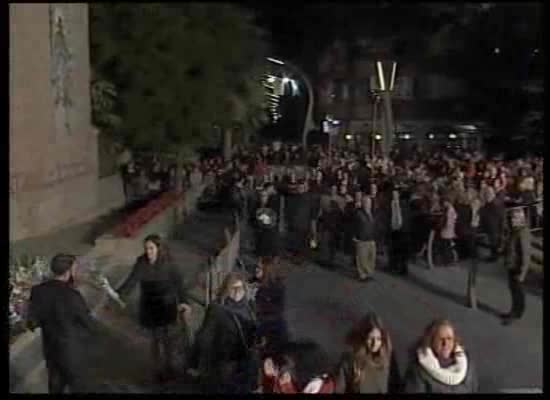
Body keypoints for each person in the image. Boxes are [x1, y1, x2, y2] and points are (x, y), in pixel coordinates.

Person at [116, 234, 191, 383]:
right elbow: (132, 280)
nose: (148, 252)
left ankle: (170, 368)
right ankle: (158, 372)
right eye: (146, 248)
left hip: (167, 305)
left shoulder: (169, 264)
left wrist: (184, 301)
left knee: (168, 340)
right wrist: (119, 294)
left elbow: (179, 284)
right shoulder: (141, 262)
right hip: (150, 307)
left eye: (151, 248)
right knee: (155, 341)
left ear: (158, 248)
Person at [28, 254, 102, 393]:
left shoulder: (38, 291)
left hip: (51, 349)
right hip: (72, 352)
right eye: (74, 268)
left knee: (55, 386)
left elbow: (32, 322)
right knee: (79, 386)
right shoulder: (72, 295)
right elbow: (88, 323)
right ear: (68, 271)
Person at [189, 272, 259, 394]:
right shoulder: (217, 309)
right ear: (227, 288)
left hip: (245, 364)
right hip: (224, 365)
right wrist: (195, 362)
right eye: (233, 288)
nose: (237, 292)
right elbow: (205, 338)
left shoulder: (250, 308)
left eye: (240, 288)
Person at [404, 319, 478, 393]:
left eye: (449, 339)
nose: (445, 343)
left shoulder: (467, 366)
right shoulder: (418, 371)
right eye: (440, 339)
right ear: (431, 341)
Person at [335, 313, 401, 393]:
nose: (375, 343)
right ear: (363, 337)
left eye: (378, 339)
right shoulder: (350, 361)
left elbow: (396, 387)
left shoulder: (388, 360)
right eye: (370, 338)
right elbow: (339, 388)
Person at [261, 340, 335, 393]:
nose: (284, 368)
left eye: (288, 363)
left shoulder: (321, 385)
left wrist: (286, 386)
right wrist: (271, 377)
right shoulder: (299, 379)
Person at [501, 207, 532, 326]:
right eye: (512, 218)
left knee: (517, 292)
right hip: (512, 265)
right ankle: (514, 311)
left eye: (514, 218)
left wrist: (522, 273)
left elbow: (525, 254)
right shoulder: (515, 230)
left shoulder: (522, 233)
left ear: (521, 219)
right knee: (513, 290)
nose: (512, 220)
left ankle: (516, 313)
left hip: (517, 268)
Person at [353, 195, 377, 281]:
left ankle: (369, 273)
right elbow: (353, 225)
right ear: (362, 203)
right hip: (361, 239)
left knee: (371, 257)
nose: (367, 204)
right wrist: (354, 236)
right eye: (365, 202)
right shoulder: (358, 213)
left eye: (369, 202)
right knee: (361, 258)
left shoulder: (373, 212)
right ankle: (362, 275)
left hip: (371, 239)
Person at [389, 188, 410, 275]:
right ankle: (403, 269)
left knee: (396, 250)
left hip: (398, 231)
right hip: (406, 231)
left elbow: (395, 219)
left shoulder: (397, 204)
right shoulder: (407, 206)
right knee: (403, 252)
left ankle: (395, 267)